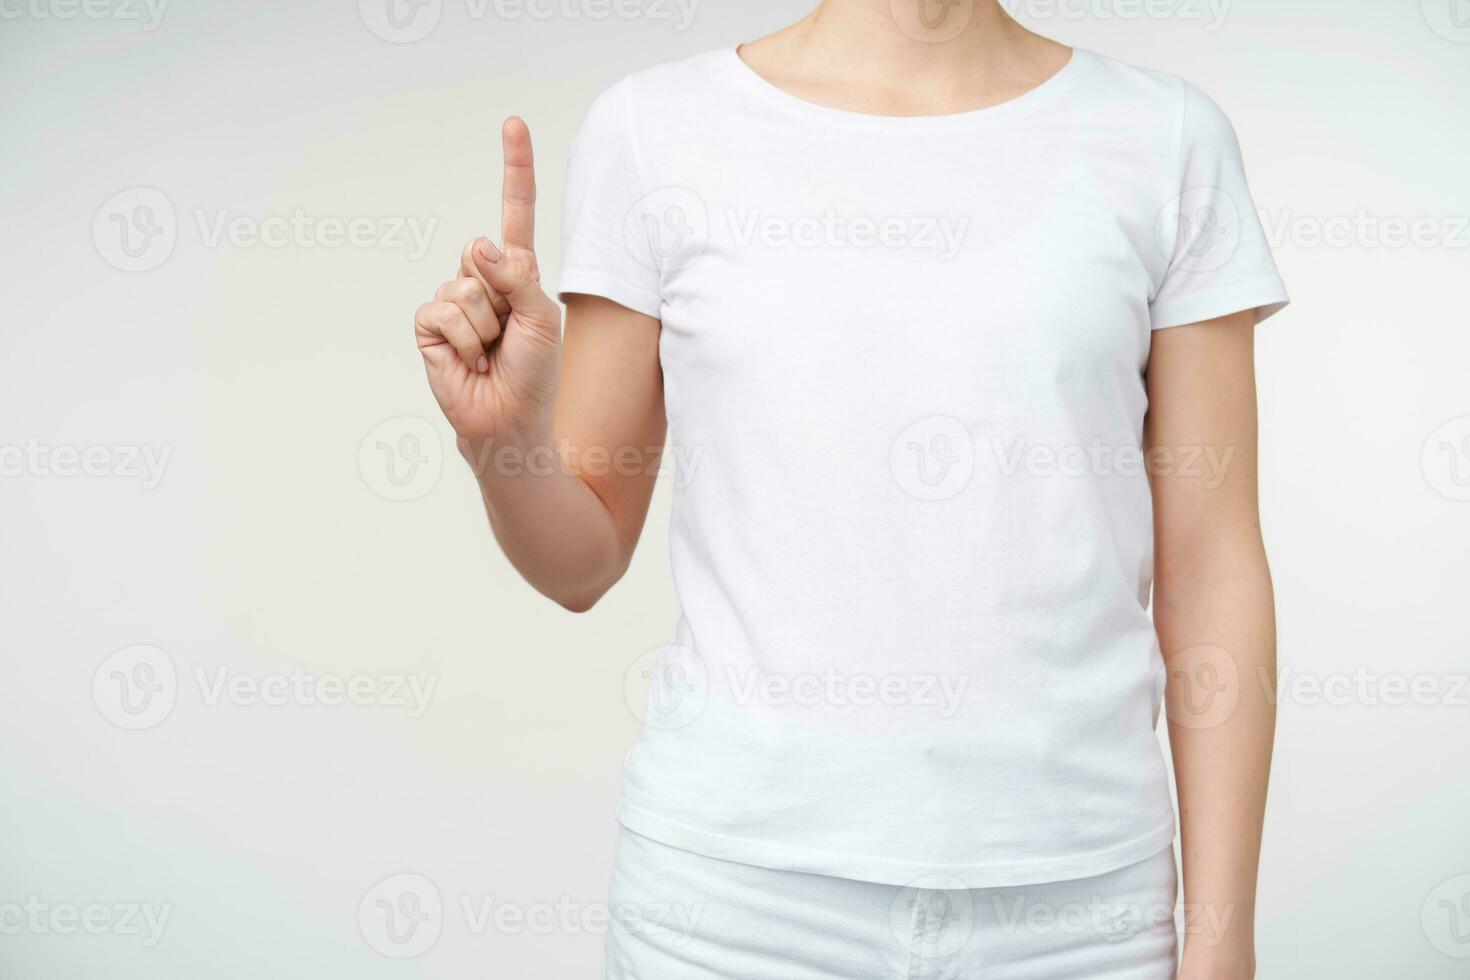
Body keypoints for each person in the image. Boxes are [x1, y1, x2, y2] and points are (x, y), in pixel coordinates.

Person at [412, 1, 1286, 976]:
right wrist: (508, 442)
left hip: (1079, 913)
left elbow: (1212, 564)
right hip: (733, 911)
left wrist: (1222, 941)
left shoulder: (1165, 139)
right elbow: (581, 560)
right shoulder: (653, 131)